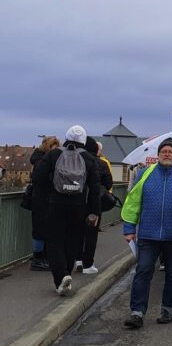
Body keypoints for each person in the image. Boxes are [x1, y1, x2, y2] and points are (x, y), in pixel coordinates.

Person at [122, 138, 172, 329]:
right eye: (164, 151)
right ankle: (137, 312)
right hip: (148, 235)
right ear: (158, 155)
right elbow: (133, 203)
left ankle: (167, 308)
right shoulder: (145, 174)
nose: (167, 154)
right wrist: (129, 228)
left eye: (171, 152)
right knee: (143, 271)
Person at [31, 126, 101, 296]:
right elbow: (95, 188)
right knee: (72, 241)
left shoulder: (54, 154)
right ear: (83, 140)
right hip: (79, 206)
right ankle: (67, 273)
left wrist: (51, 192)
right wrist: (94, 212)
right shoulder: (88, 158)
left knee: (54, 242)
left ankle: (60, 278)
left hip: (56, 204)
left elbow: (38, 177)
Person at [77, 136, 113, 275]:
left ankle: (77, 259)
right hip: (94, 202)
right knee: (91, 233)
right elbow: (108, 183)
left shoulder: (75, 160)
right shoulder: (101, 163)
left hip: (76, 201)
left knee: (77, 231)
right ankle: (88, 264)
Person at [28, 136, 60, 271]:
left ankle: (41, 257)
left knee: (42, 230)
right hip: (42, 199)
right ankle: (38, 259)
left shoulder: (38, 159)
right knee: (40, 230)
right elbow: (41, 179)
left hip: (41, 198)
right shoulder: (44, 161)